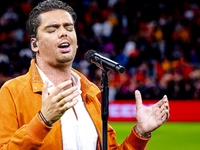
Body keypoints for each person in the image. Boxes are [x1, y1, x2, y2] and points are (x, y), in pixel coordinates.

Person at [0, 0, 169, 149]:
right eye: (52, 29)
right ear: (35, 44)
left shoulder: (90, 94)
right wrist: (43, 121)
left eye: (69, 27)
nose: (63, 32)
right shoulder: (11, 92)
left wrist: (140, 134)